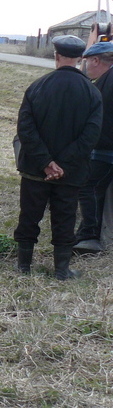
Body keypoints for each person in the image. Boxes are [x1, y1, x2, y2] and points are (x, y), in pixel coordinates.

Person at [14, 34, 102, 279]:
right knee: (65, 218)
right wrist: (62, 164)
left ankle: (23, 267)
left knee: (29, 215)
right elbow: (90, 136)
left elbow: (25, 129)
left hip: (35, 170)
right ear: (80, 59)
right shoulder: (92, 93)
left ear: (56, 56)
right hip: (71, 172)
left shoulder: (37, 87)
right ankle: (62, 271)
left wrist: (46, 163)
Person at [74, 38, 113, 253]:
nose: (85, 67)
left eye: (87, 61)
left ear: (96, 60)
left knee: (88, 186)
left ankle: (89, 235)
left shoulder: (107, 81)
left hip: (106, 150)